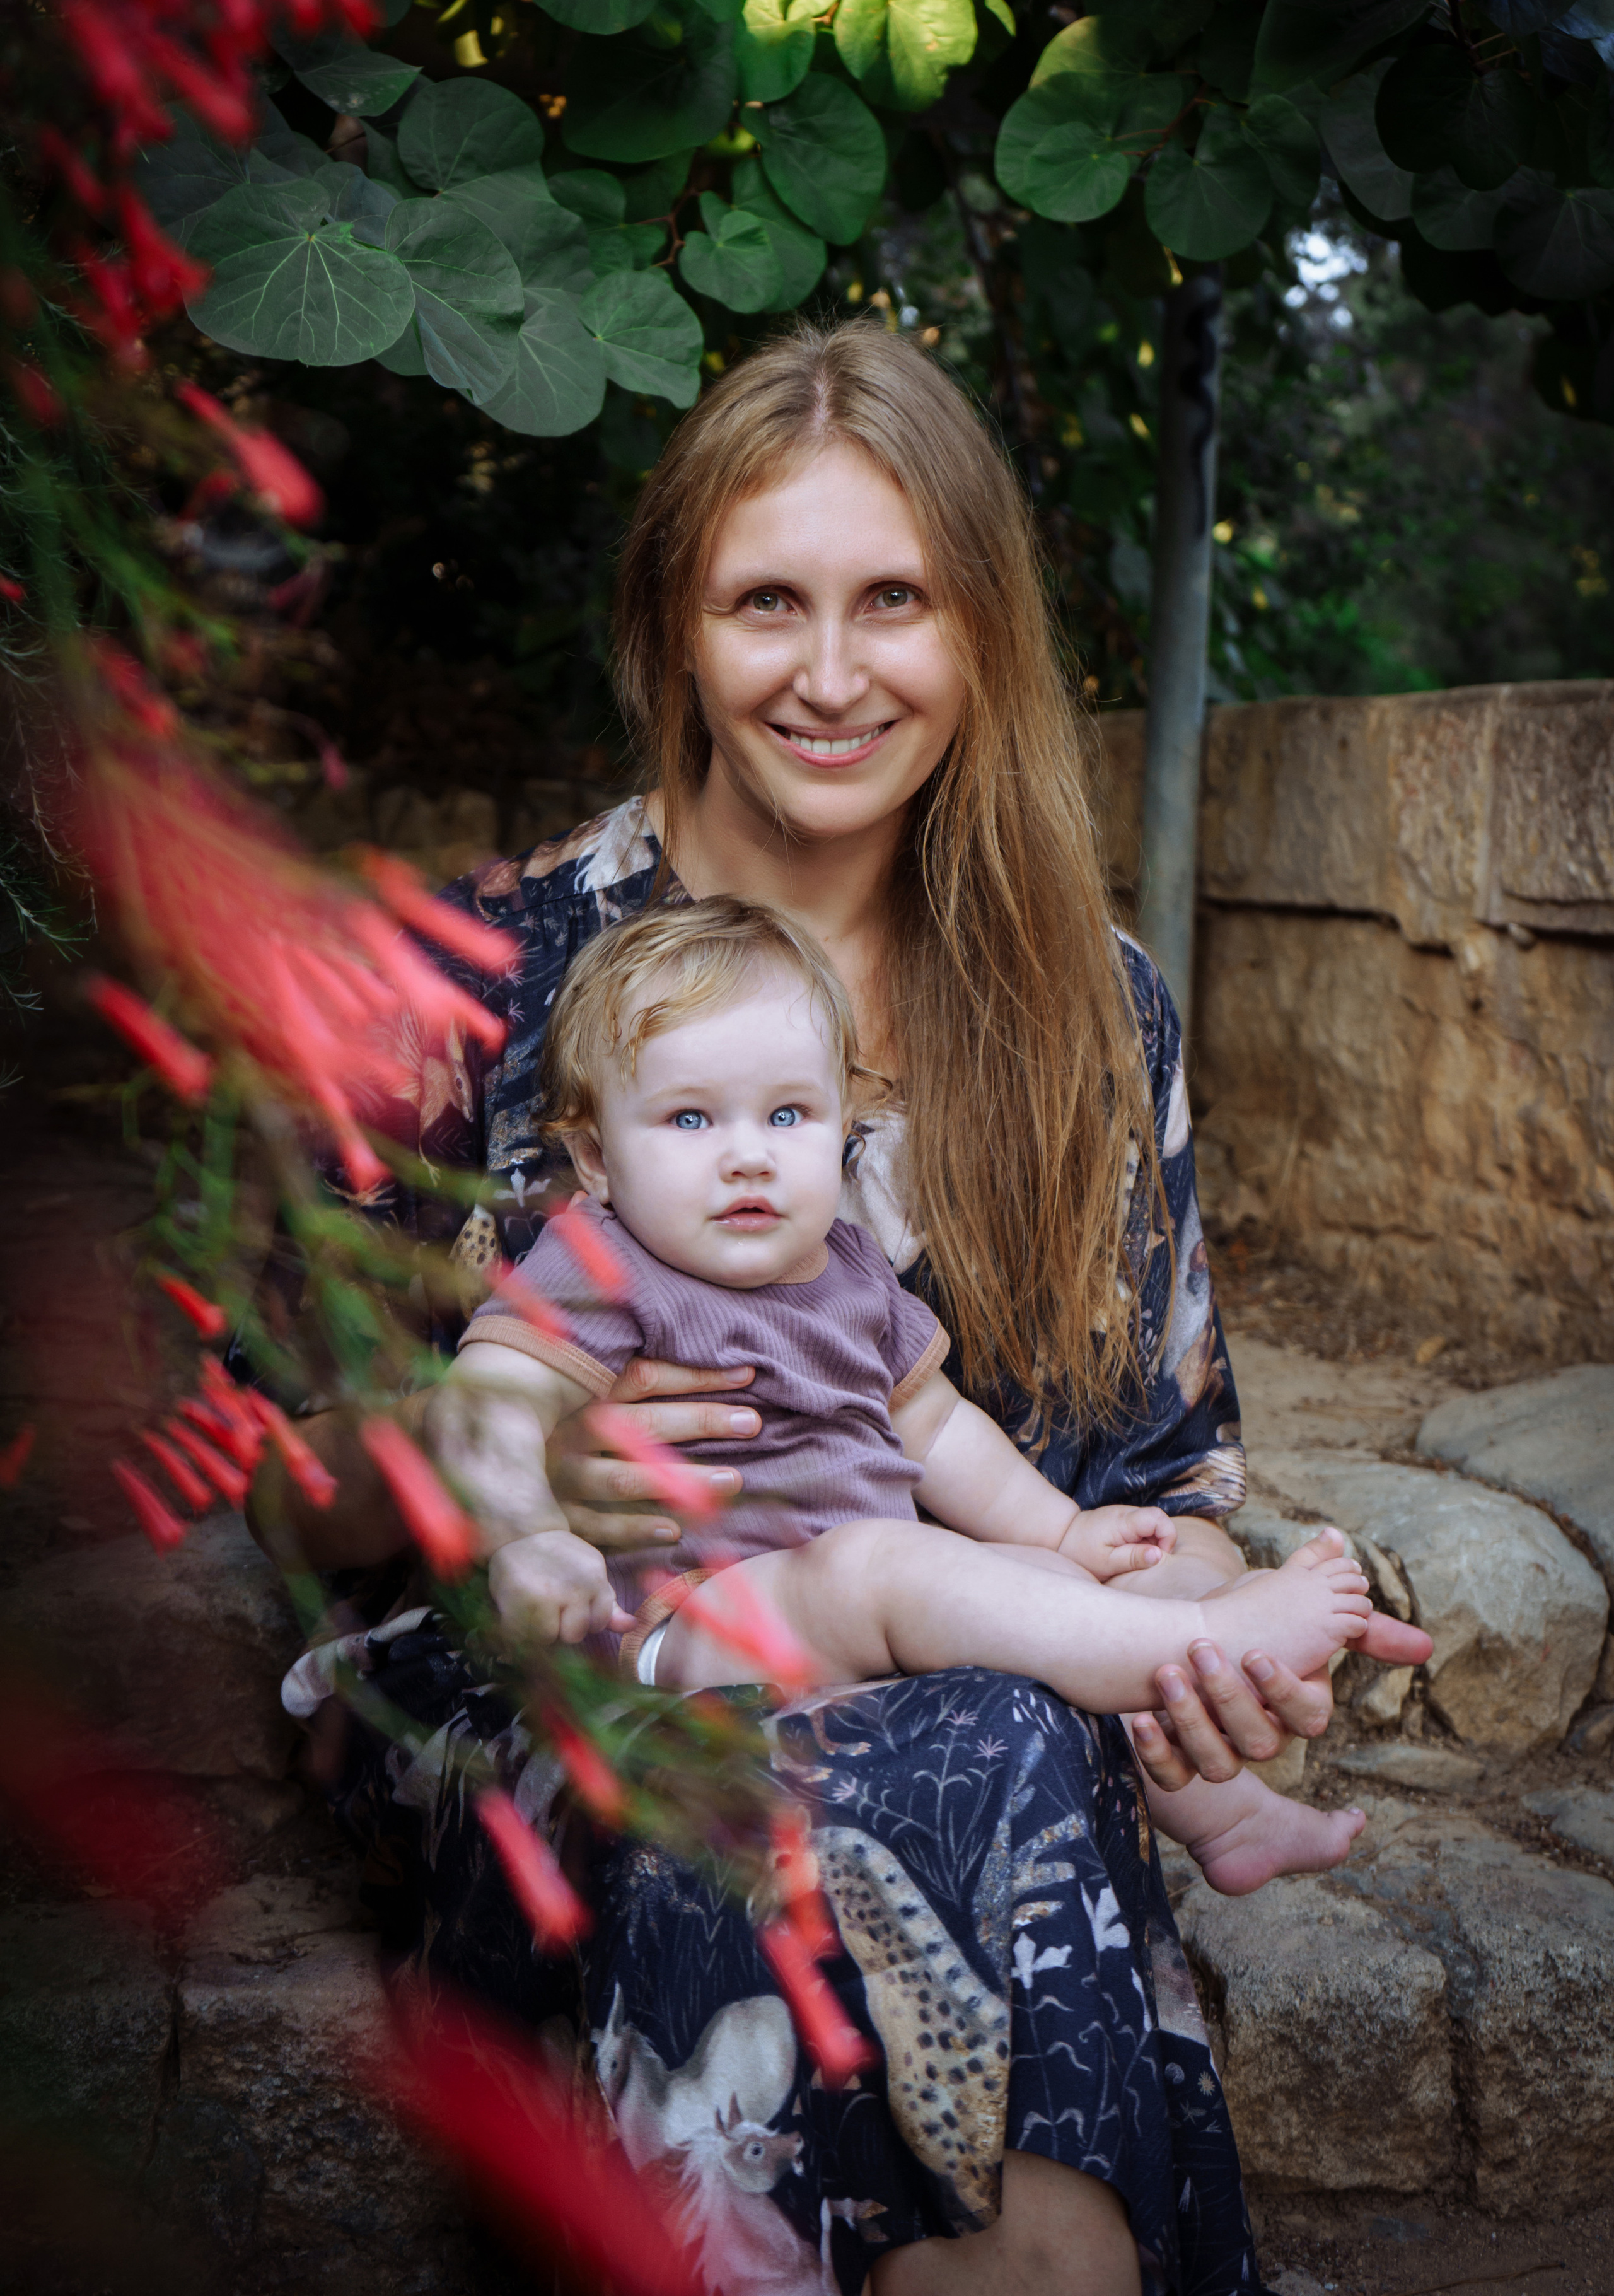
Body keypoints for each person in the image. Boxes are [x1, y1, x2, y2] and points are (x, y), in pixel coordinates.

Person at [259, 319, 1369, 2296]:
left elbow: (1164, 1482)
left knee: (1002, 1732)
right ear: (676, 626)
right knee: (723, 1788)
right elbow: (286, 1491)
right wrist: (493, 1456)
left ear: (982, 634)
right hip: (573, 1666)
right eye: (769, 601)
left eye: (897, 603)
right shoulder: (474, 980)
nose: (835, 675)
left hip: (967, 1655)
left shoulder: (1091, 1012)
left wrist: (1199, 1638)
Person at [436, 893, 1425, 1899]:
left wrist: (1058, 1537)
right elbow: (486, 1403)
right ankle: (1201, 1640)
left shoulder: (850, 1270)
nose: (748, 1152)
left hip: (849, 1604)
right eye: (690, 1117)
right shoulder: (600, 1263)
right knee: (891, 1567)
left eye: (788, 1113)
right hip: (687, 1623)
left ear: (844, 1126)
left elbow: (938, 1426)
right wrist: (524, 1533)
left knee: (1015, 1594)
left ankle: (1229, 1817)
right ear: (597, 1157)